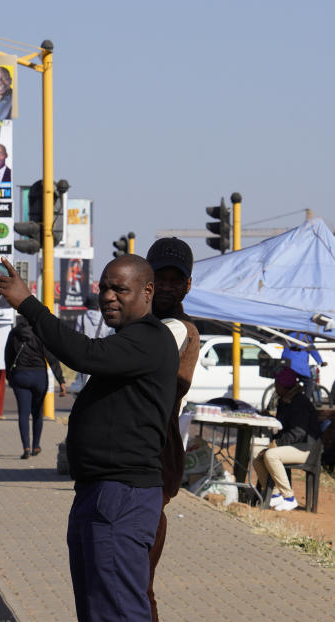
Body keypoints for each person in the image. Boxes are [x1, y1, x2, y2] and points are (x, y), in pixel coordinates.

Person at [0, 254, 178, 622]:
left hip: (121, 499)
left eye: (120, 289)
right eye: (104, 288)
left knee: (118, 613)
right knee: (98, 612)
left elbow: (84, 354)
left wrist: (29, 305)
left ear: (147, 292)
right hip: (98, 495)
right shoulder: (128, 341)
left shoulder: (150, 339)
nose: (108, 296)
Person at [144, 237, 201, 622]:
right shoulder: (142, 326)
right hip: (134, 465)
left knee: (136, 582)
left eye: (173, 279)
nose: (166, 286)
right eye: (158, 278)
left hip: (153, 462)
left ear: (187, 286)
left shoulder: (177, 331)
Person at [252, 367, 323, 512]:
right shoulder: (284, 401)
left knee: (271, 455)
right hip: (292, 445)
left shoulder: (300, 403)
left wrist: (276, 444)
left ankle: (289, 498)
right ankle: (275, 494)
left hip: (305, 449)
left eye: (277, 383)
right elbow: (282, 426)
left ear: (284, 385)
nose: (275, 386)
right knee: (255, 451)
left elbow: (298, 433)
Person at [4, 316, 67, 458]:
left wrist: (9, 376)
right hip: (39, 377)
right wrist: (61, 381)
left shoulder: (14, 333)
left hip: (20, 376)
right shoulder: (41, 334)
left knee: (23, 413)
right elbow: (52, 359)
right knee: (38, 413)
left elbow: (8, 356)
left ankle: (26, 448)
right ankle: (36, 445)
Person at [70, 294, 113, 393]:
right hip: (103, 354)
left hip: (86, 353)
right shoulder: (106, 318)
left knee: (85, 382)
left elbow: (77, 336)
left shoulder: (81, 318)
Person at [280, 331, 326, 404]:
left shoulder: (289, 335)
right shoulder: (306, 338)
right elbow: (313, 350)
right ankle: (305, 401)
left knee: (290, 381)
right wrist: (320, 362)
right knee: (309, 381)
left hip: (285, 363)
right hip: (298, 365)